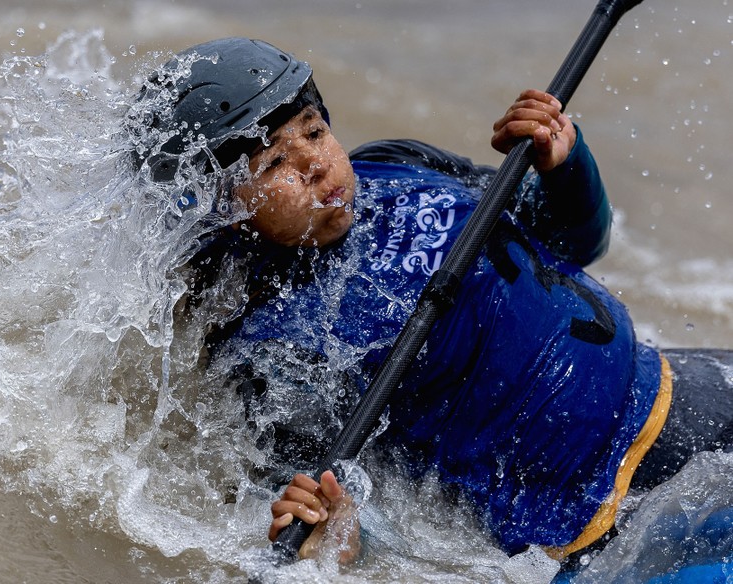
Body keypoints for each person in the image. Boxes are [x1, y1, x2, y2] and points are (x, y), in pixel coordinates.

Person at [127, 37, 733, 566]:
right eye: (275, 163)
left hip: (671, 388)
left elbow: (578, 243)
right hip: (594, 521)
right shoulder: (272, 351)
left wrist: (564, 165)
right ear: (221, 213)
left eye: (314, 131)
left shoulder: (395, 164)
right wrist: (335, 542)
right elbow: (375, 517)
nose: (316, 163)